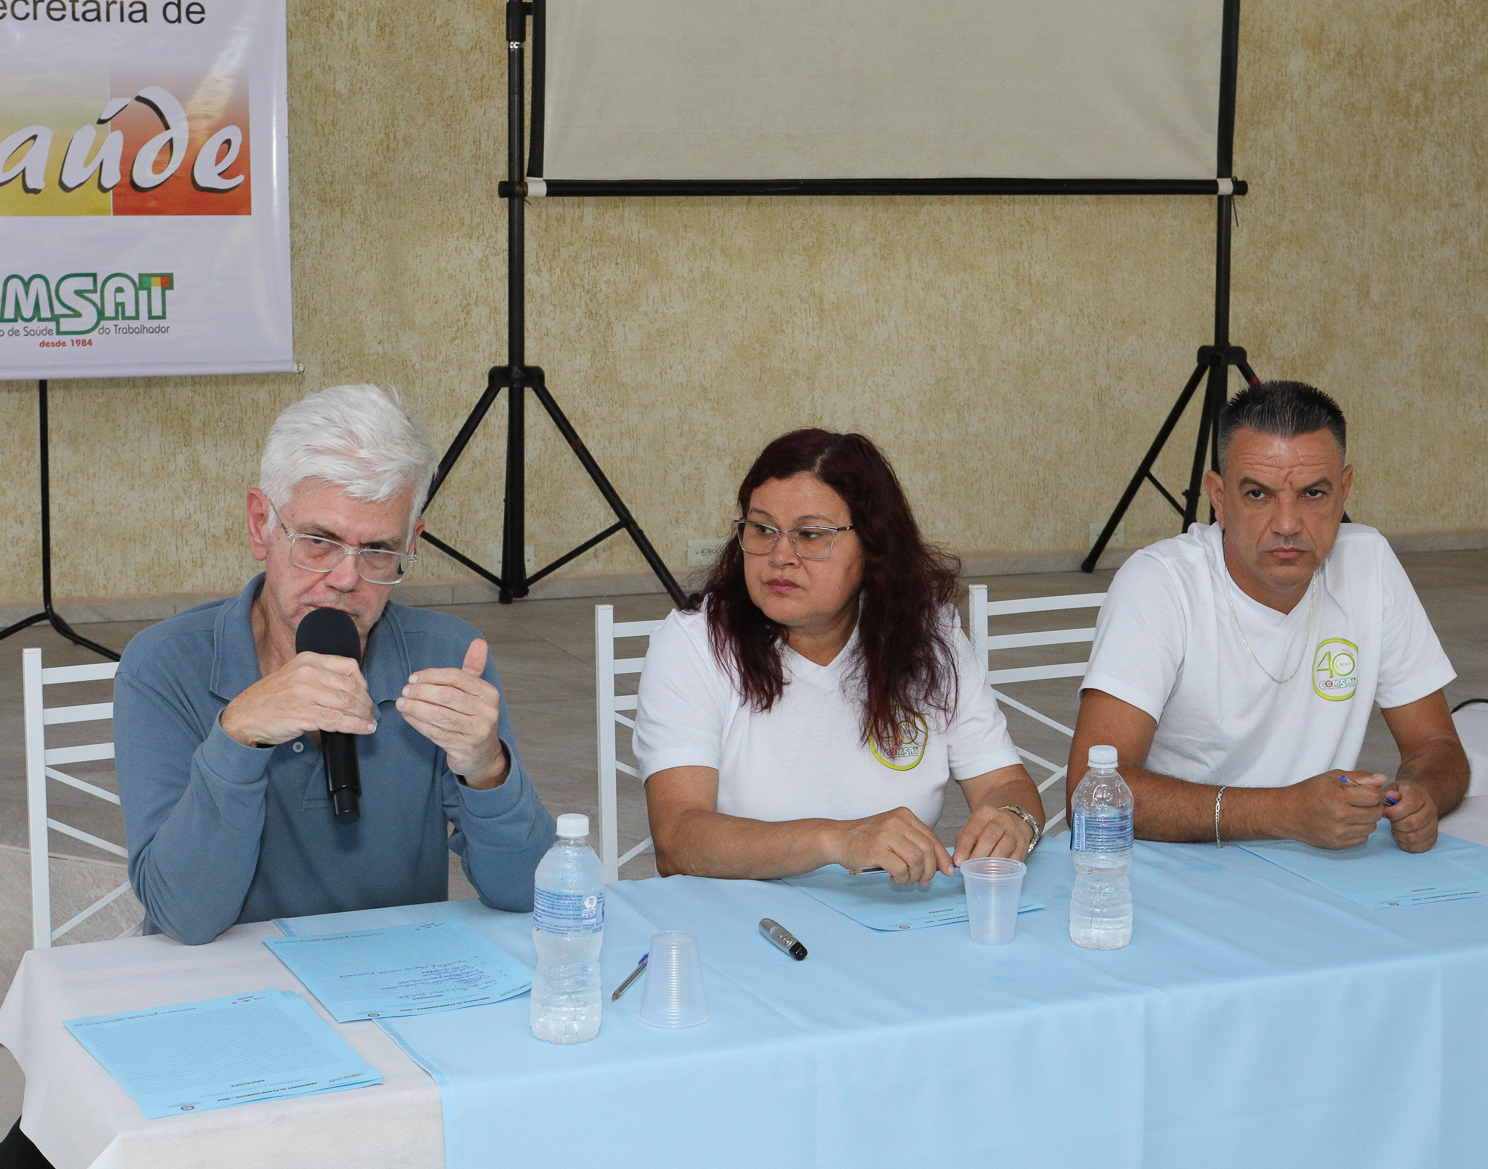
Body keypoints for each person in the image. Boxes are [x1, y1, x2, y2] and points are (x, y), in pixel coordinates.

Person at [115, 383, 557, 942]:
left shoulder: (445, 657)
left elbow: (531, 895)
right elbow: (184, 917)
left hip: (393, 983)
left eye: (377, 551)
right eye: (318, 542)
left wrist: (489, 769)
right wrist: (238, 736)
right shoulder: (165, 664)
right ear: (260, 525)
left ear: (412, 541)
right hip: (226, 991)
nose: (347, 579)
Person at [1068, 381, 1468, 853]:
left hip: (1318, 866)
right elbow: (1091, 793)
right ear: (1218, 497)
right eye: (1258, 494)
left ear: (1344, 491)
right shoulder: (1160, 583)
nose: (1287, 524)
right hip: (1181, 863)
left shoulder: (1369, 563)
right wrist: (1284, 812)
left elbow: (1437, 746)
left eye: (1313, 494)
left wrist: (1422, 793)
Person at [635, 429, 1046, 887]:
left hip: (892, 919)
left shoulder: (929, 636)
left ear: (873, 549)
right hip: (750, 923)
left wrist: (1013, 820)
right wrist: (837, 841)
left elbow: (1002, 783)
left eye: (811, 535)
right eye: (762, 529)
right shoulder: (695, 644)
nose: (780, 556)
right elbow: (678, 838)